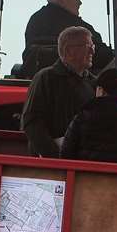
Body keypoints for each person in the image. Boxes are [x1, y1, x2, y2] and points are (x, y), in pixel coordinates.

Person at [12, 0, 115, 79]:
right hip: (74, 87)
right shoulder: (79, 30)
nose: (80, 2)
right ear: (61, 0)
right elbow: (103, 57)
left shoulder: (35, 20)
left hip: (35, 82)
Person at [21, 25, 97, 157]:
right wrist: (55, 156)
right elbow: (31, 122)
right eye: (87, 46)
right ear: (68, 51)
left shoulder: (94, 83)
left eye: (93, 46)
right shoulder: (45, 78)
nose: (92, 52)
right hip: (49, 166)